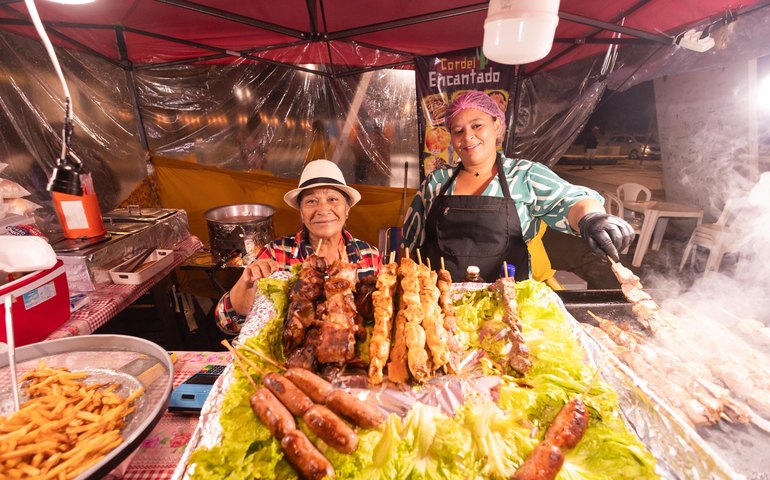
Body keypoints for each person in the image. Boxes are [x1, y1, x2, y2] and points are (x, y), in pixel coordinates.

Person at [401, 91, 633, 283]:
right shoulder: (437, 182)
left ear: (497, 126)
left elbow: (570, 200)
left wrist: (591, 218)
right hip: (439, 306)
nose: (468, 137)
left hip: (508, 305)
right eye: (458, 131)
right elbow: (409, 243)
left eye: (477, 125)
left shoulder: (524, 175)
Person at [215, 159, 381, 334]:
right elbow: (227, 322)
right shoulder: (276, 253)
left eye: (332, 199)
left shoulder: (370, 256)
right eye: (311, 201)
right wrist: (247, 282)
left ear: (347, 209)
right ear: (301, 213)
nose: (323, 209)